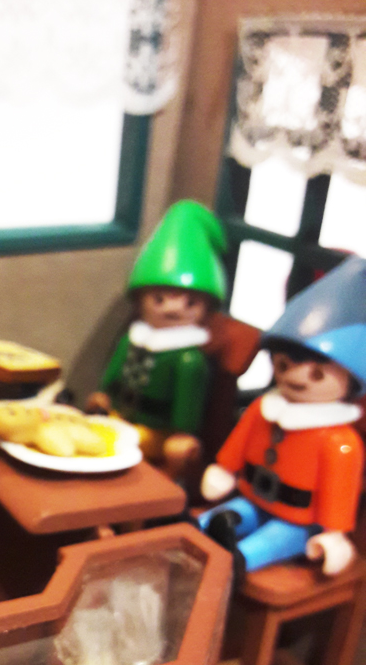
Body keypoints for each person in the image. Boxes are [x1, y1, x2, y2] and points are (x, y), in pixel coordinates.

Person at [199, 255, 366, 577]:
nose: (295, 377)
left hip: (298, 522)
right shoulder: (264, 410)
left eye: (317, 374)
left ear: (351, 380)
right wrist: (225, 469)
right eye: (284, 365)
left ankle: (237, 562)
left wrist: (334, 533)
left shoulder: (339, 442)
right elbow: (238, 444)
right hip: (252, 498)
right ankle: (199, 530)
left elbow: (340, 491)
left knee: (269, 541)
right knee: (220, 518)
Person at [87, 200, 227, 480]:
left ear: (206, 308)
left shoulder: (188, 359)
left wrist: (182, 434)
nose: (171, 309)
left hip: (156, 433)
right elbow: (112, 377)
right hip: (119, 418)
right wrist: (103, 396)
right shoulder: (133, 339)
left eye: (189, 302)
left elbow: (187, 410)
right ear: (140, 300)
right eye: (159, 299)